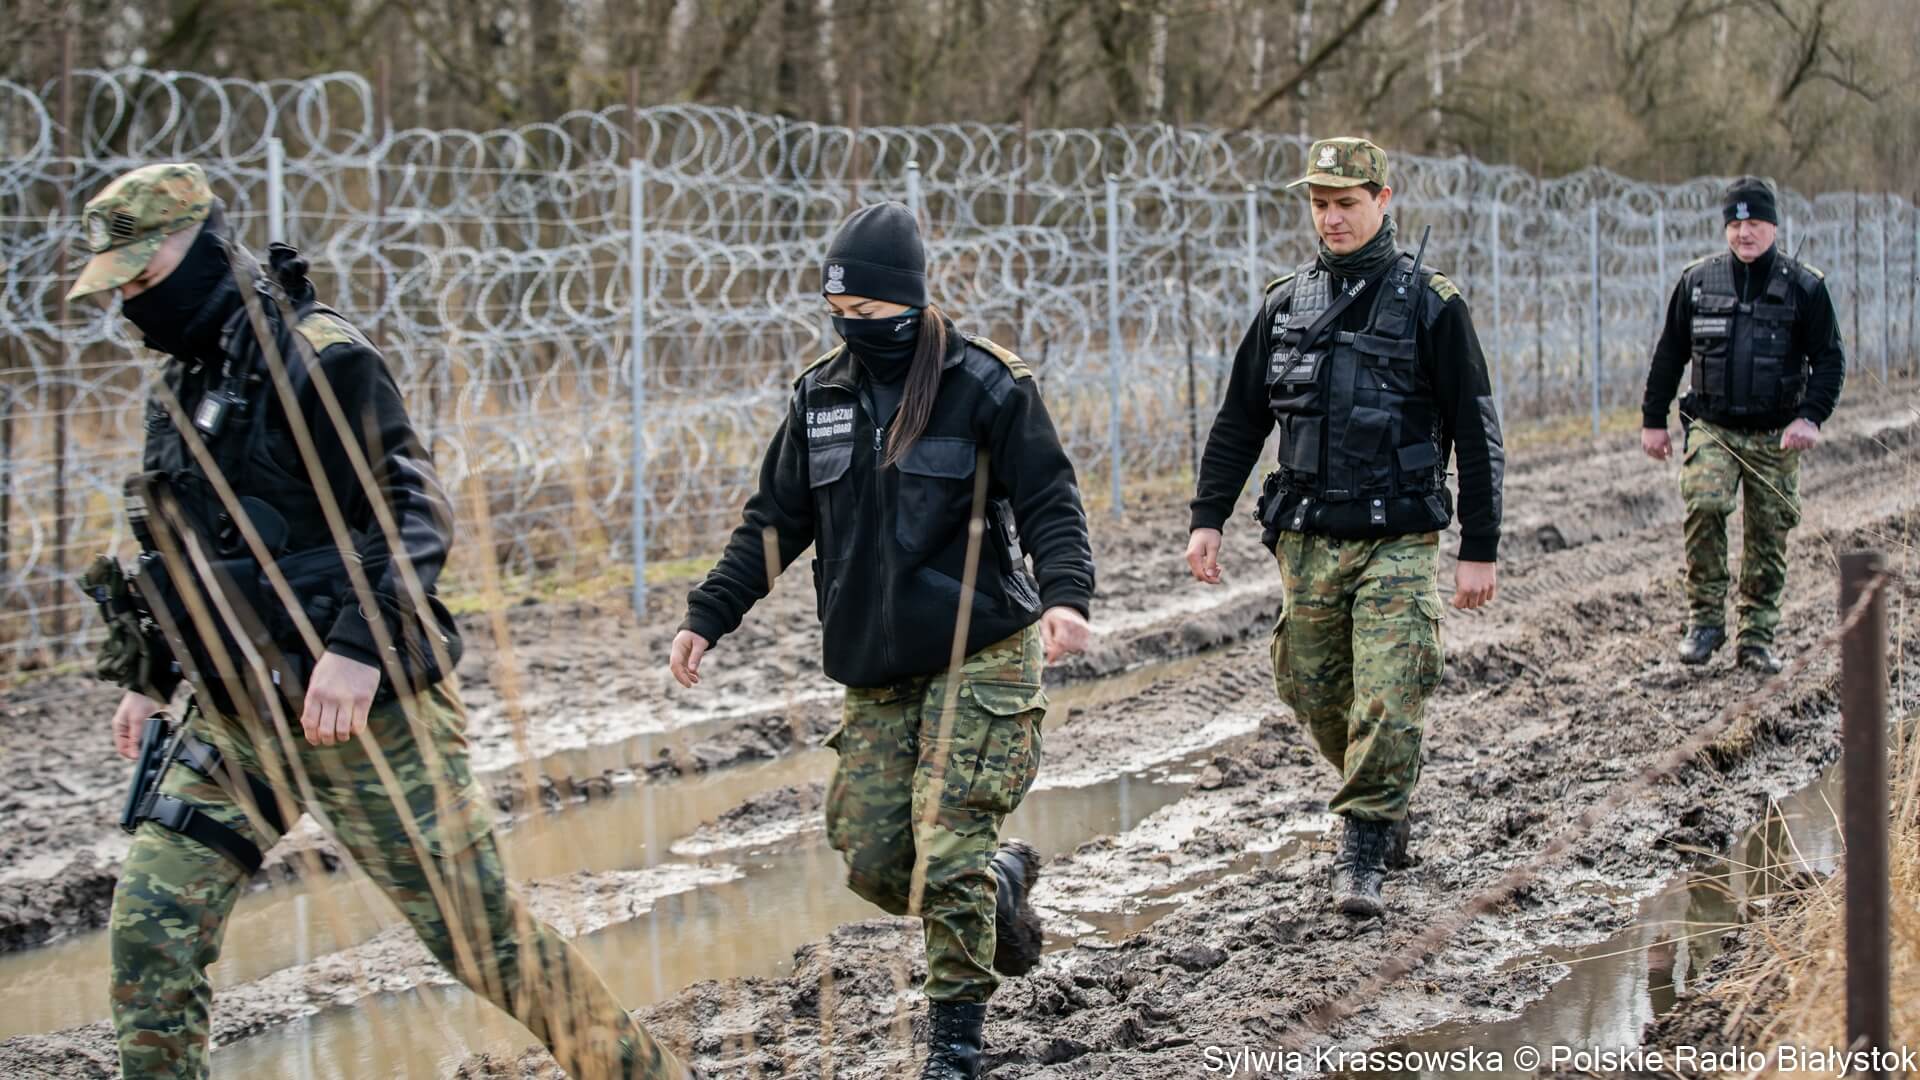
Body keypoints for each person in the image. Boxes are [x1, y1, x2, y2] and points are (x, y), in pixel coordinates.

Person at [72, 163, 695, 1080]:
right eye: (117, 285)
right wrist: (149, 676)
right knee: (153, 928)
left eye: (142, 274)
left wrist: (359, 648)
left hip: (365, 712)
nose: (131, 300)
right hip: (240, 719)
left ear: (200, 247)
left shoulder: (320, 355)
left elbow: (414, 508)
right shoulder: (180, 389)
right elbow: (186, 549)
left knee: (487, 944)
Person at [668, 202, 1095, 1079]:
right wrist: (708, 613)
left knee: (945, 854)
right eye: (840, 312)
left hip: (981, 651)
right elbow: (774, 521)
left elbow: (1050, 495)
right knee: (872, 856)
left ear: (908, 303)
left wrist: (1066, 596)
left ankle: (955, 1045)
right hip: (873, 666)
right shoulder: (821, 395)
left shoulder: (984, 383)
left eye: (869, 313)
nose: (853, 328)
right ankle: (997, 883)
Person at [1184, 137, 1505, 918]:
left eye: (1347, 203)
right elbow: (1238, 423)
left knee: (1391, 693)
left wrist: (1479, 547)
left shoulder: (1432, 303)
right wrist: (1208, 518)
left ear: (1383, 201)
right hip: (1306, 534)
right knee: (1311, 685)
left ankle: (1363, 849)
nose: (1332, 218)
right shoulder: (1283, 304)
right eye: (1321, 205)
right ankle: (1384, 797)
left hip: (1396, 533)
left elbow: (1476, 429)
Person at [1639, 176, 1845, 674]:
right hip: (1714, 426)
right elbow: (1670, 355)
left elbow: (1831, 361)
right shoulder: (1697, 283)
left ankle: (1756, 636)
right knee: (1705, 505)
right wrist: (1654, 420)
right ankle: (1704, 621)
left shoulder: (1805, 287)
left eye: (1753, 223)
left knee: (1768, 533)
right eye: (1734, 223)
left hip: (1777, 435)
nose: (1743, 233)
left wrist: (1810, 417)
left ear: (1772, 226)